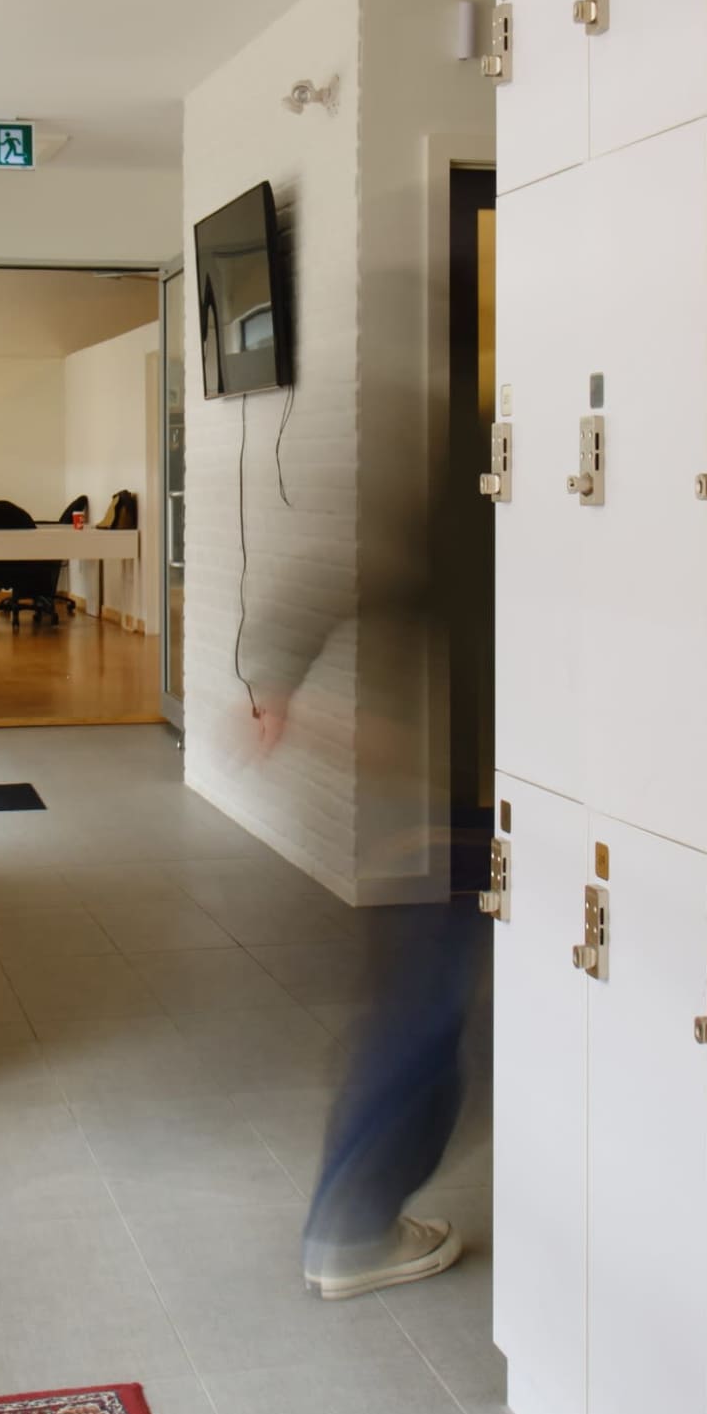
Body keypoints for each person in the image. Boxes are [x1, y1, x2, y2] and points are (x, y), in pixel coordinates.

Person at [229, 408, 484, 1301]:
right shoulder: (490, 523)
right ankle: (352, 1225)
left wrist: (279, 681)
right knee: (423, 1020)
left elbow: (343, 584)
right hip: (460, 795)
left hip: (418, 794)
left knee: (421, 1013)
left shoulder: (431, 522)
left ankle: (359, 1212)